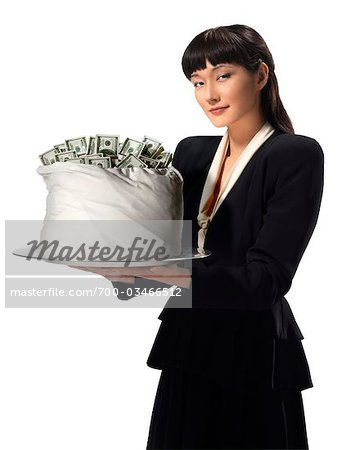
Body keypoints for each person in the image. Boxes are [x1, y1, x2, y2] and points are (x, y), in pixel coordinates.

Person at [77, 24, 324, 449]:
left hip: (253, 354)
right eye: (197, 81)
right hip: (186, 345)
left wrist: (158, 269)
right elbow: (162, 252)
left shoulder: (294, 155)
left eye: (223, 75)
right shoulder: (191, 151)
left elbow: (266, 279)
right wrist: (118, 259)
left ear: (261, 75)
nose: (209, 93)